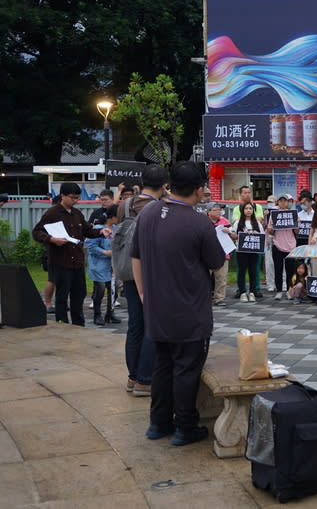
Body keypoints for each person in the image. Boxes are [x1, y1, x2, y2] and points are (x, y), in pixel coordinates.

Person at [131, 161, 226, 446]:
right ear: (198, 190)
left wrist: (143, 294)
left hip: (156, 306)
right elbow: (216, 261)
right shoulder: (199, 222)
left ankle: (158, 424)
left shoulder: (147, 214)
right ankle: (185, 426)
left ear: (170, 186)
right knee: (186, 368)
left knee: (162, 365)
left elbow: (136, 256)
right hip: (189, 310)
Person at [116, 165, 169, 397]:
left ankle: (132, 376)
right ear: (164, 184)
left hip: (128, 270)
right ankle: (145, 380)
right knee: (152, 325)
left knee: (135, 325)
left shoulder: (125, 205)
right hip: (152, 273)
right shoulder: (160, 208)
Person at [32, 182, 111, 326]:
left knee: (79, 294)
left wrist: (101, 231)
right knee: (62, 295)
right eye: (72, 198)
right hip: (61, 261)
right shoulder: (52, 213)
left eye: (77, 198)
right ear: (62, 195)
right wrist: (52, 239)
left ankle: (78, 323)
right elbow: (37, 232)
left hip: (77, 261)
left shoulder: (77, 213)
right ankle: (62, 323)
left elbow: (87, 230)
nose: (75, 201)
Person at [86, 204, 121, 326]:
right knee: (100, 289)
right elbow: (91, 246)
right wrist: (105, 252)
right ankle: (97, 314)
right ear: (112, 216)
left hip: (113, 264)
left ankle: (110, 313)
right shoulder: (98, 228)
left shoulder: (117, 228)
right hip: (99, 264)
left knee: (114, 288)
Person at [267, 194, 298, 300]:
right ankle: (279, 291)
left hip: (290, 245)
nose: (283, 203)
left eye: (285, 201)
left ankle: (290, 291)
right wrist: (273, 224)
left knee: (290, 270)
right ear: (278, 203)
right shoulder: (274, 214)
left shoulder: (293, 214)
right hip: (277, 245)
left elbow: (296, 231)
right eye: (281, 201)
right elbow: (270, 230)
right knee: (278, 269)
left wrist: (296, 224)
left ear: (288, 202)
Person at [233, 202, 264, 303]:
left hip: (253, 251)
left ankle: (252, 292)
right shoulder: (238, 223)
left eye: (250, 208)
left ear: (253, 210)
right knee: (242, 271)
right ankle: (242, 292)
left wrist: (256, 233)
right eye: (246, 208)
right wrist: (240, 234)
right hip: (241, 251)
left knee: (253, 271)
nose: (248, 210)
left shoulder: (257, 223)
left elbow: (262, 236)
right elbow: (233, 235)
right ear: (242, 210)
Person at [207, 202, 234, 306]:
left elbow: (235, 236)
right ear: (209, 212)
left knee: (221, 277)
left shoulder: (225, 222)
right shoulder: (203, 222)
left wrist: (229, 232)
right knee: (204, 277)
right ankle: (205, 297)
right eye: (216, 210)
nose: (219, 212)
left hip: (223, 253)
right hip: (207, 254)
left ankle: (219, 298)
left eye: (219, 210)